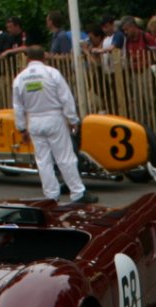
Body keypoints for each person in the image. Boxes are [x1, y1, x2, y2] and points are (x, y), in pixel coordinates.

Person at [12, 46, 95, 204]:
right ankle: (77, 193)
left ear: (28, 58)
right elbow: (66, 97)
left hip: (34, 121)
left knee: (43, 160)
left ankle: (51, 196)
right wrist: (72, 119)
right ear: (44, 56)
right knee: (65, 157)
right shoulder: (52, 73)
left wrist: (22, 128)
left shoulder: (20, 79)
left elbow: (18, 107)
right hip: (54, 118)